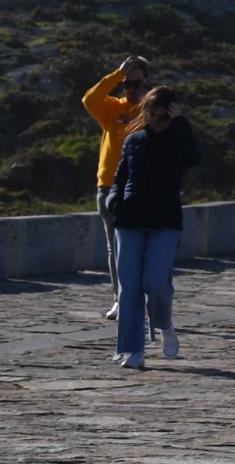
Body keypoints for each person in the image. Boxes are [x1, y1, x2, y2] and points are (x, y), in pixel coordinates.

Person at [108, 87, 201, 369]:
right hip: (130, 220)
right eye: (154, 114)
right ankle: (132, 349)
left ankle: (164, 324)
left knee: (156, 284)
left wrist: (181, 124)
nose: (159, 121)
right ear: (145, 112)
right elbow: (120, 176)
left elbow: (193, 159)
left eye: (165, 116)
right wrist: (114, 201)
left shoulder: (177, 139)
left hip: (165, 221)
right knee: (130, 288)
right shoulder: (133, 140)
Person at [83, 55, 147, 320]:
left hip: (142, 189)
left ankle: (144, 297)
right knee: (115, 248)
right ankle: (120, 298)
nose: (131, 89)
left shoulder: (151, 112)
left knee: (141, 247)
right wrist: (117, 74)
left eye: (136, 83)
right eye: (127, 84)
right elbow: (89, 99)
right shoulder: (112, 109)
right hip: (108, 187)